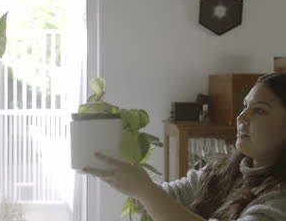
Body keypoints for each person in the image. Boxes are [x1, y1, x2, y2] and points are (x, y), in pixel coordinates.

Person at [83, 73, 286, 221]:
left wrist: (144, 190)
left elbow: (154, 196)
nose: (241, 118)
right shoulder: (223, 171)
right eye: (244, 106)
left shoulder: (279, 201)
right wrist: (124, 173)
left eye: (259, 111)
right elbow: (170, 197)